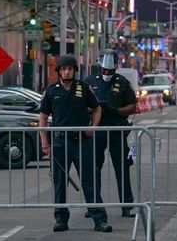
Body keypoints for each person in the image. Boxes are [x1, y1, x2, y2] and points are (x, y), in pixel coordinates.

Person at [39, 55, 113, 233]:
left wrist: (93, 127)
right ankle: (61, 220)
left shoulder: (84, 88)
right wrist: (45, 143)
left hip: (82, 142)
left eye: (70, 69)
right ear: (58, 71)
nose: (67, 72)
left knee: (90, 181)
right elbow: (42, 117)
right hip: (59, 143)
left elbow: (97, 108)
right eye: (63, 69)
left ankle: (99, 219)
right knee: (59, 182)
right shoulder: (50, 91)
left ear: (74, 71)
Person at [84, 50, 137, 218]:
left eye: (110, 71)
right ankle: (93, 206)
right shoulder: (89, 82)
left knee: (122, 168)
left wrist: (116, 110)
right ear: (99, 67)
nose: (107, 73)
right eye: (104, 70)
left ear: (115, 68)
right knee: (93, 168)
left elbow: (132, 106)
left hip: (117, 129)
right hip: (97, 131)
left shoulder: (122, 82)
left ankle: (127, 206)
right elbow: (80, 104)